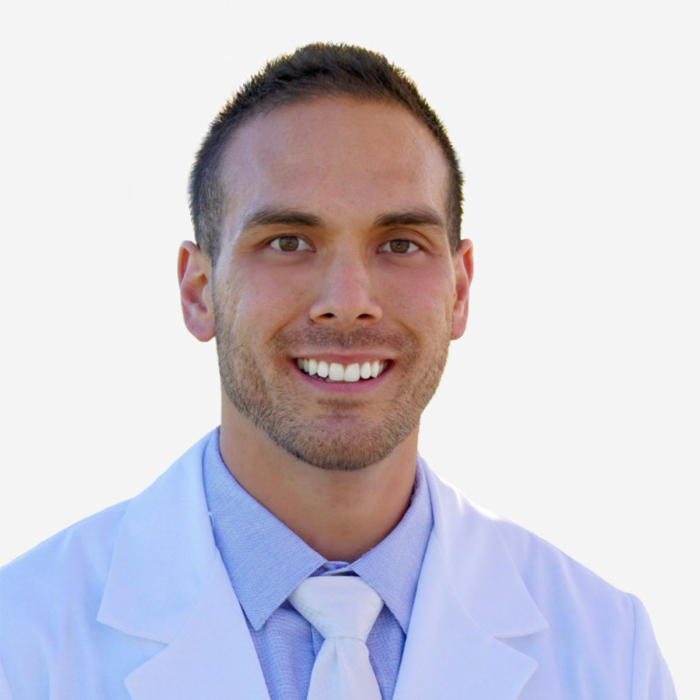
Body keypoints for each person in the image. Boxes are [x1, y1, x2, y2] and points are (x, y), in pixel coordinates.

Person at [0, 43, 676, 700]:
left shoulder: (607, 652)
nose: (349, 301)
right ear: (198, 290)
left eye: (400, 244)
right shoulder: (21, 639)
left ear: (460, 290)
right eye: (288, 242)